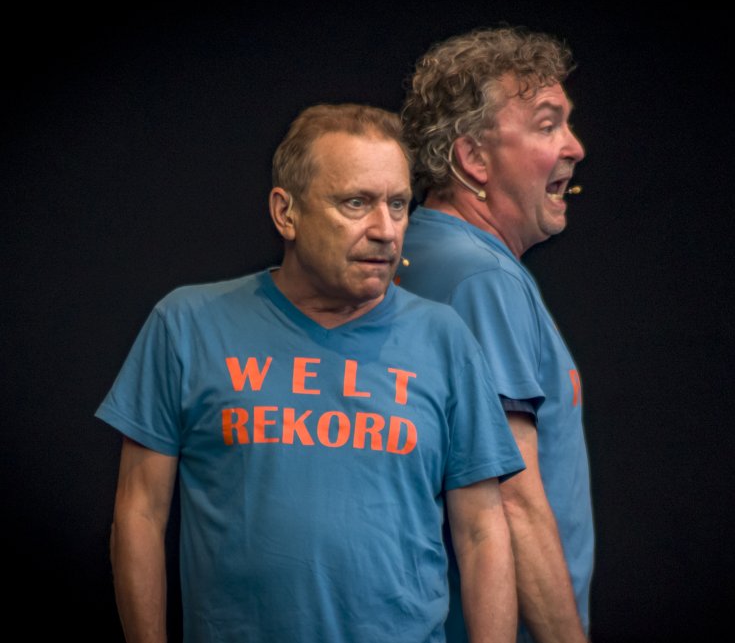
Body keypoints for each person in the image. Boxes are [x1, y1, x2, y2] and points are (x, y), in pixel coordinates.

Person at [96, 103, 526, 643]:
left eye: (398, 205)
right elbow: (139, 513)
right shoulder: (186, 324)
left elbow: (482, 533)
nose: (385, 230)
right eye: (356, 203)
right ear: (286, 213)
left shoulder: (445, 339)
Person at [397, 26, 593, 643]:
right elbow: (512, 499)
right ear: (473, 159)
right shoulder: (480, 278)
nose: (575, 147)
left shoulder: (425, 252)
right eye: (547, 125)